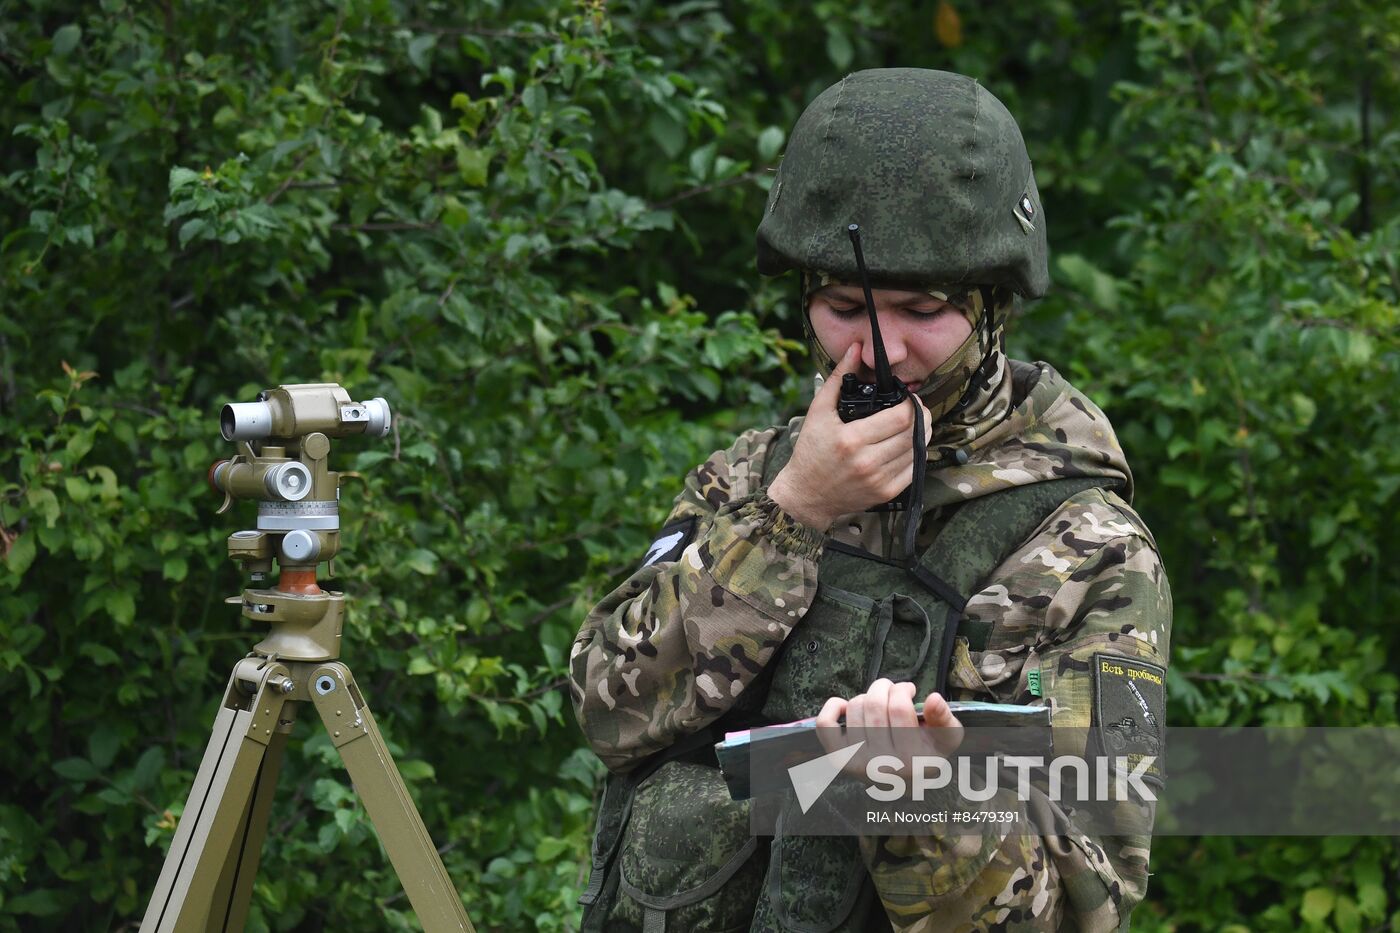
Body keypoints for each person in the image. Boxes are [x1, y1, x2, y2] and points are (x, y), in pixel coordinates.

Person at [569, 68, 1171, 932]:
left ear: (993, 307)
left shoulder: (1088, 547)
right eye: (845, 305)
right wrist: (791, 516)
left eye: (922, 309)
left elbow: (1090, 904)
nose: (881, 350)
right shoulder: (755, 476)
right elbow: (605, 710)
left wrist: (924, 802)